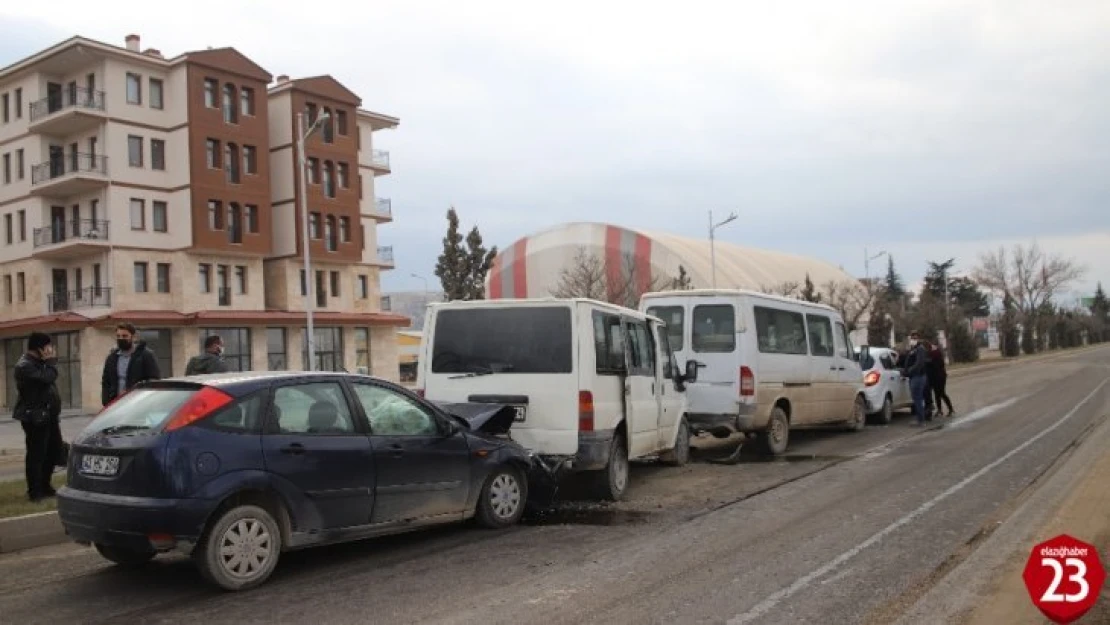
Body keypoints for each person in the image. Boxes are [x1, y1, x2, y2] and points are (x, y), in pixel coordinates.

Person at [13, 333, 64, 502]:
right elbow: (46, 378)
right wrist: (50, 362)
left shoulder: (39, 363)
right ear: (40, 348)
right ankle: (34, 491)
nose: (51, 350)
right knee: (37, 455)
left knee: (52, 452)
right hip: (35, 417)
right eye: (49, 346)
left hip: (48, 415)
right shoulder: (25, 365)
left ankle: (45, 485)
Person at [101, 323, 162, 406]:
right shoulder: (112, 358)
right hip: (115, 404)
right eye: (118, 336)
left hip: (138, 404)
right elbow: (106, 382)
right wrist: (106, 401)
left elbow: (154, 380)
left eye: (124, 336)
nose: (121, 338)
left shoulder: (145, 355)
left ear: (133, 337)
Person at [901, 332, 929, 426]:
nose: (913, 340)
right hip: (914, 376)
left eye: (915, 338)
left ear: (918, 339)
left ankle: (920, 420)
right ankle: (920, 418)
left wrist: (909, 371)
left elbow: (919, 363)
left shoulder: (920, 349)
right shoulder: (914, 349)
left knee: (917, 398)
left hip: (918, 376)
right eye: (912, 338)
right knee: (917, 398)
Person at [927, 340, 955, 416]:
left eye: (933, 345)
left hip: (940, 377)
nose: (932, 347)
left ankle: (950, 409)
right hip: (936, 377)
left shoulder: (936, 353)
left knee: (941, 393)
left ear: (936, 346)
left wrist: (929, 362)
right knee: (937, 394)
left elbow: (935, 364)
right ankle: (940, 410)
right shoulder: (932, 353)